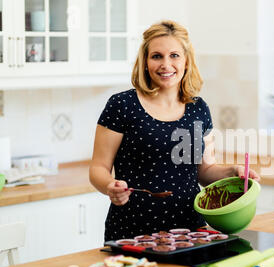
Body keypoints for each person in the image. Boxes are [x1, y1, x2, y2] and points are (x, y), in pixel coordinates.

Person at [89, 20, 260, 241]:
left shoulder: (199, 108)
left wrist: (233, 172)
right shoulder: (122, 105)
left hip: (190, 231)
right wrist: (109, 186)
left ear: (187, 61)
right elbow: (98, 168)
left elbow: (204, 170)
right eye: (156, 56)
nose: (165, 64)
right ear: (145, 61)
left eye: (174, 56)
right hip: (133, 230)